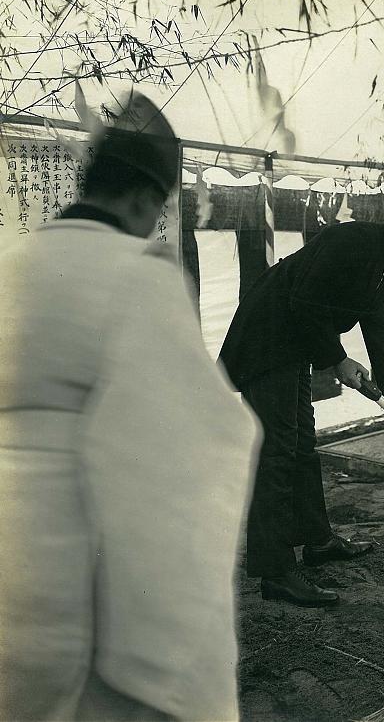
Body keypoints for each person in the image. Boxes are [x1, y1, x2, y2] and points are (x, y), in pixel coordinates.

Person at [0, 93, 261, 720]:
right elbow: (198, 439)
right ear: (146, 199)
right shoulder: (136, 274)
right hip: (65, 568)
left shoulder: (11, 263)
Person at [219, 198, 384, 607]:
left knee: (302, 446)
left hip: (292, 348)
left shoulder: (380, 263)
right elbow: (303, 302)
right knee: (277, 452)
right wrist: (337, 360)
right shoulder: (352, 240)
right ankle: (275, 573)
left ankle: (318, 541)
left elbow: (378, 333)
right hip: (265, 342)